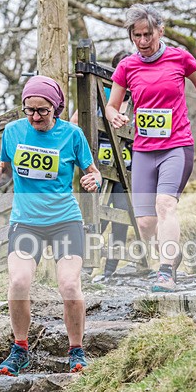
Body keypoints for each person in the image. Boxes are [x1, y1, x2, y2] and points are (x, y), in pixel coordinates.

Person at [0, 75, 101, 376]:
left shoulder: (72, 134)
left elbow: (94, 172)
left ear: (56, 107)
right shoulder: (13, 132)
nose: (35, 116)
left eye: (42, 110)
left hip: (65, 221)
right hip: (26, 222)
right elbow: (4, 172)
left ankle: (76, 350)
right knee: (18, 283)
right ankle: (20, 350)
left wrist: (94, 180)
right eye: (29, 110)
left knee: (69, 285)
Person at [105, 4, 196, 293]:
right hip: (144, 150)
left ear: (160, 31)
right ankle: (172, 252)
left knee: (165, 205)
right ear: (131, 36)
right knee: (146, 223)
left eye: (148, 34)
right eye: (137, 36)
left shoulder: (179, 58)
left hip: (177, 145)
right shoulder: (127, 67)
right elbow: (111, 106)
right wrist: (116, 115)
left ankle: (165, 271)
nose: (143, 42)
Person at [71, 50, 133, 281]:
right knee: (97, 215)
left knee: (122, 217)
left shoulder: (138, 98)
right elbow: (76, 122)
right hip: (99, 167)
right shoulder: (101, 95)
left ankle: (110, 269)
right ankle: (88, 266)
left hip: (127, 169)